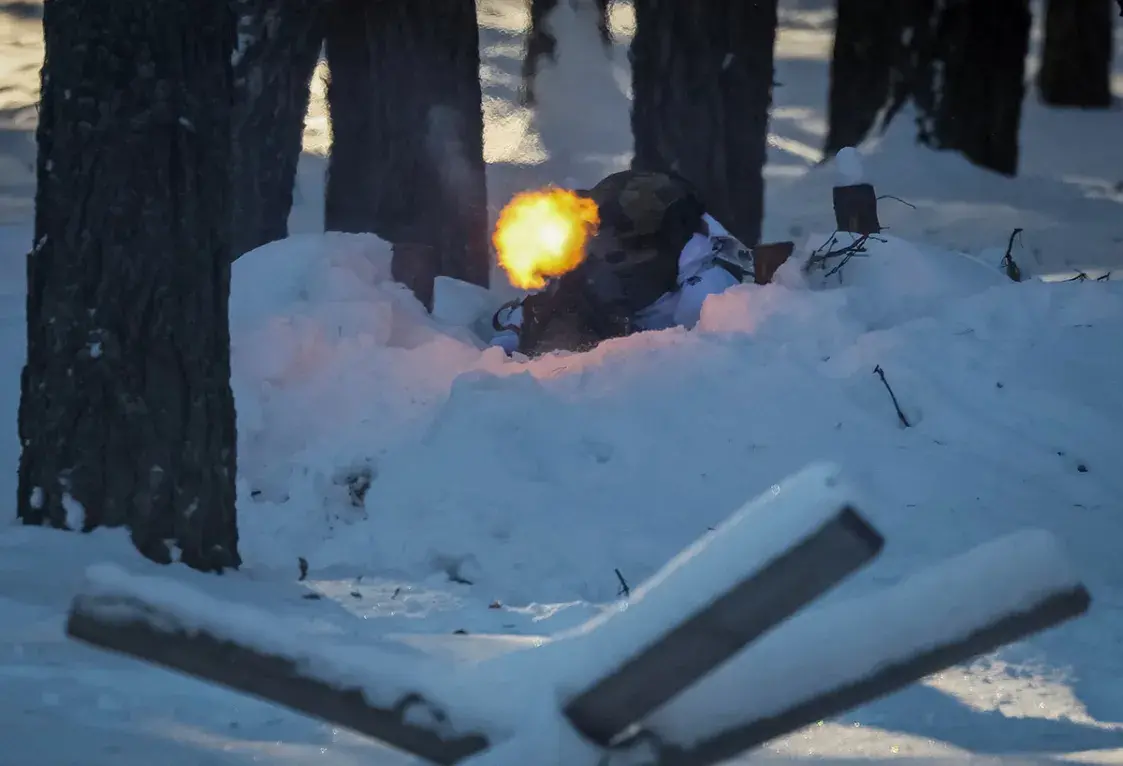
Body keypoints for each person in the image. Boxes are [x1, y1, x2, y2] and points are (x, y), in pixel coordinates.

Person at [490, 169, 755, 356]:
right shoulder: (579, 268)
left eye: (620, 247)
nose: (601, 255)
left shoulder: (706, 290)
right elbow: (502, 347)